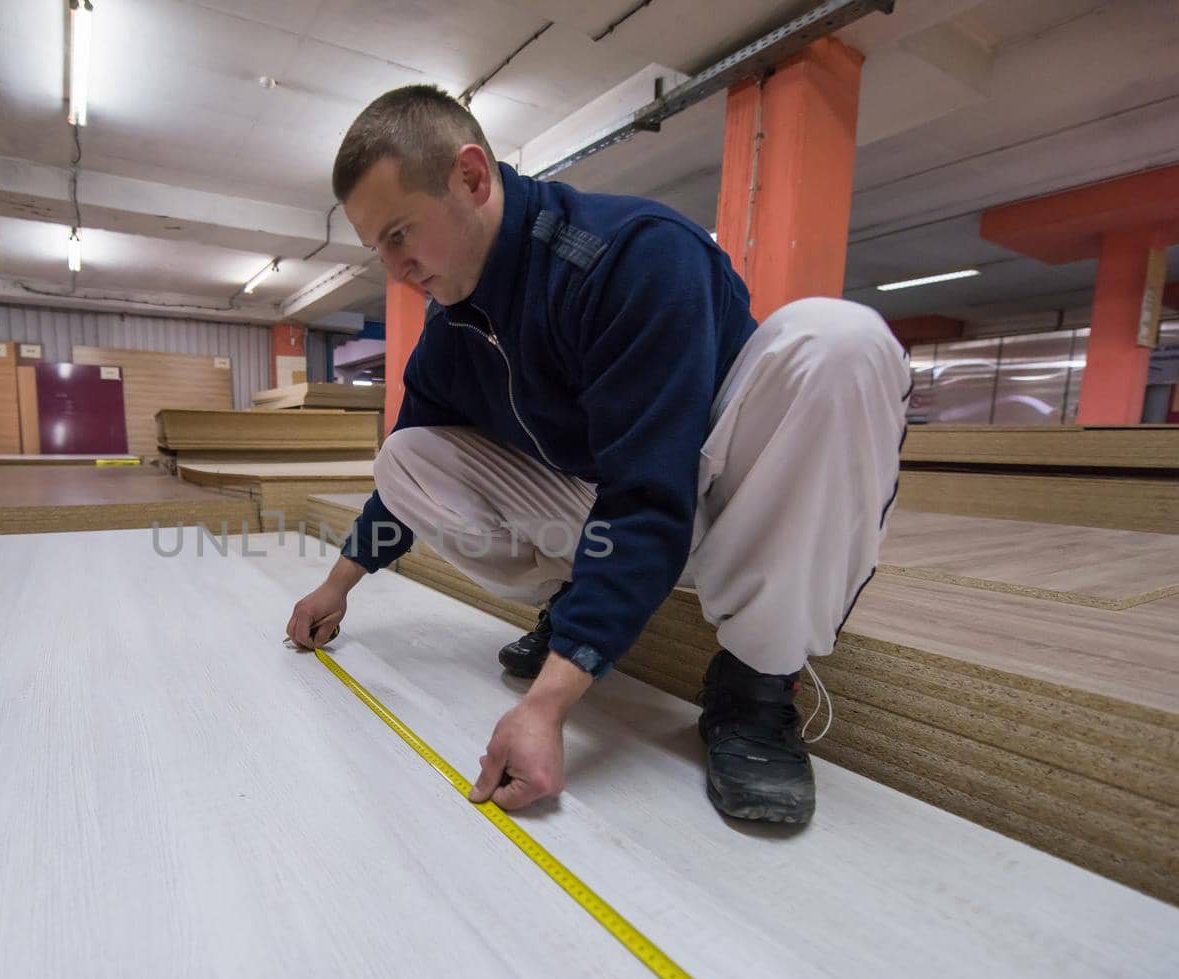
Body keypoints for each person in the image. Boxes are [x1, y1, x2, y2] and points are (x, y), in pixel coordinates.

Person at [285, 85, 909, 824]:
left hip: (732, 501)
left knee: (840, 341)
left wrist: (550, 704)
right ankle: (573, 603)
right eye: (377, 248)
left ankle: (755, 681)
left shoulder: (628, 259)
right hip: (624, 516)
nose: (394, 268)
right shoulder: (452, 334)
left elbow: (650, 494)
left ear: (472, 178)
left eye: (400, 234)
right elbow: (400, 493)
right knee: (406, 456)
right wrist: (338, 586)